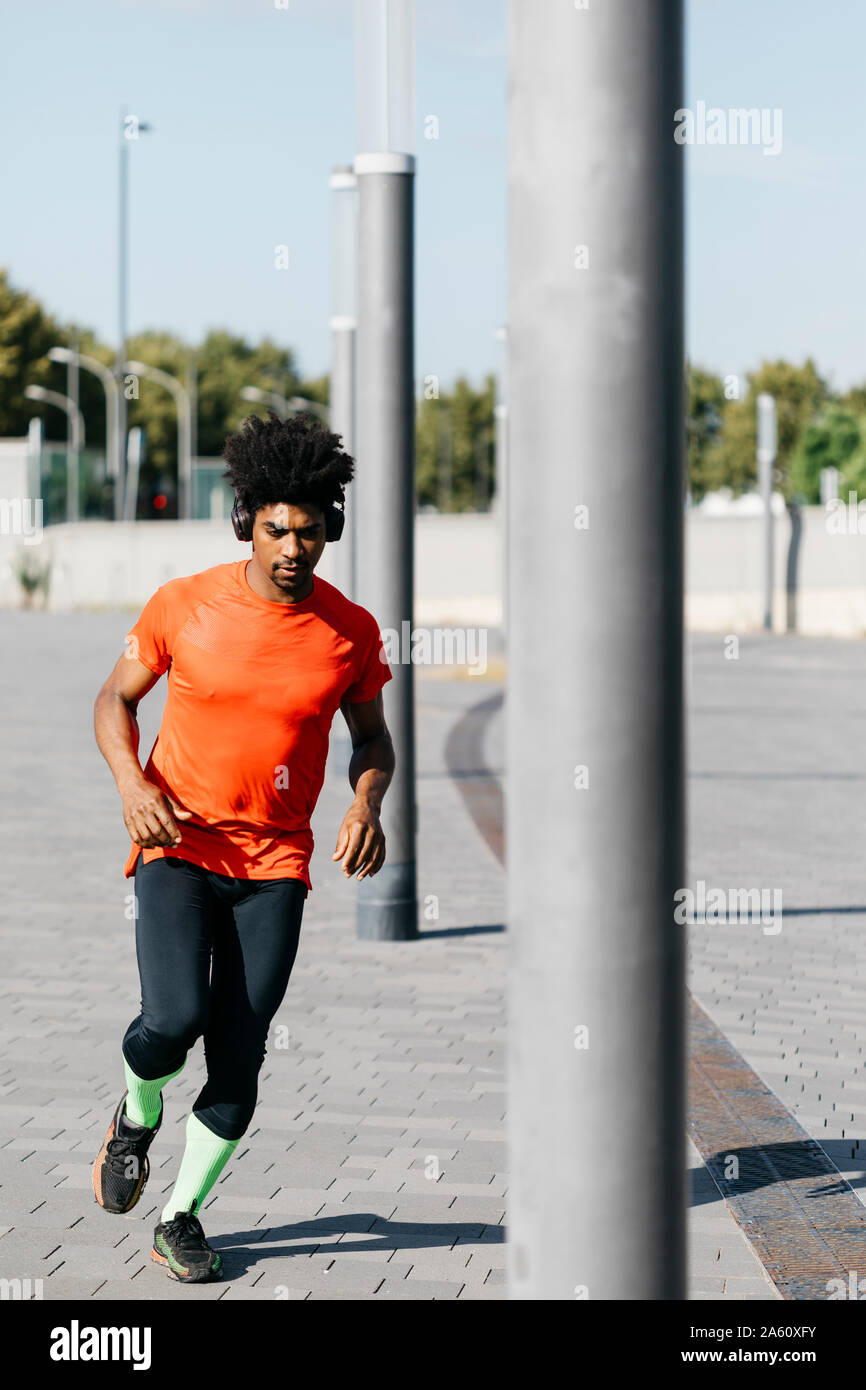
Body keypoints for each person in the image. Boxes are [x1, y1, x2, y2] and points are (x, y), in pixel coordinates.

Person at [91, 411, 394, 1283]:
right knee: (172, 1021)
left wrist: (367, 803)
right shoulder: (185, 604)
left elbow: (373, 741)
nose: (293, 548)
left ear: (329, 529)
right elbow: (114, 701)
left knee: (241, 1046)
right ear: (245, 524)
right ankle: (137, 1113)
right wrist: (132, 787)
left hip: (276, 868)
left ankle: (180, 1215)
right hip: (178, 845)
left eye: (309, 531)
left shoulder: (349, 633)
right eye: (275, 530)